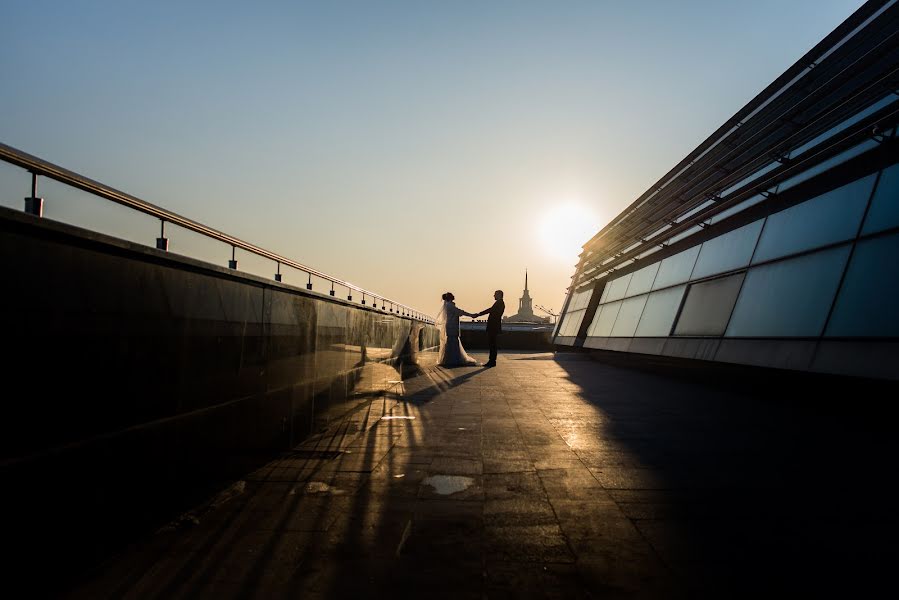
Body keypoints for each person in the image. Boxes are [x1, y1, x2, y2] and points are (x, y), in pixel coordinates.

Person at [435, 292, 479, 367]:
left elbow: (459, 312)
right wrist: (471, 315)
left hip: (450, 326)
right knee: (453, 342)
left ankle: (449, 359)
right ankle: (454, 359)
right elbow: (460, 312)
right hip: (452, 327)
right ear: (450, 297)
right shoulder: (450, 306)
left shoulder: (448, 306)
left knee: (451, 343)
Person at [472, 290, 505, 368]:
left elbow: (490, 310)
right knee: (493, 344)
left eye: (495, 294)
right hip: (494, 326)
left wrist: (479, 314)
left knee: (492, 344)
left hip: (493, 327)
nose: (494, 296)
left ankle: (492, 361)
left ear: (499, 295)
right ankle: (492, 361)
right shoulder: (499, 303)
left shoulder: (499, 303)